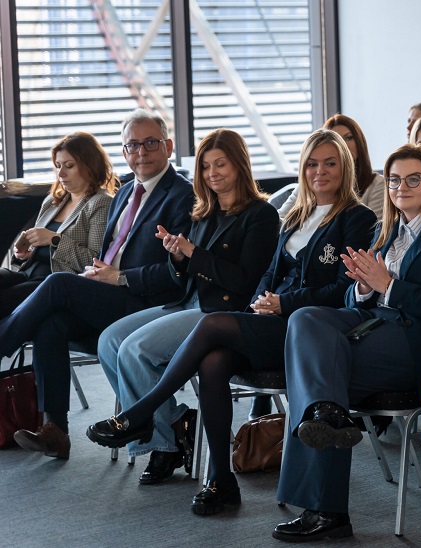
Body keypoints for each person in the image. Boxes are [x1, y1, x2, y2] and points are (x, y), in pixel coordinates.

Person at [86, 129, 377, 514]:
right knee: (213, 361)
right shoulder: (297, 216)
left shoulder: (357, 218)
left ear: (346, 168)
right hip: (269, 318)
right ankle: (221, 479)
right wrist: (259, 302)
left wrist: (282, 303)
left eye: (330, 164)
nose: (319, 171)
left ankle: (141, 412)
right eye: (311, 164)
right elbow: (267, 274)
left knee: (212, 325)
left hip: (307, 330)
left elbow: (343, 288)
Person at [270, 143, 421, 542]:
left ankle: (325, 510)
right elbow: (356, 299)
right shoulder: (388, 231)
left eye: (413, 179)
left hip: (418, 341)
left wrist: (389, 286)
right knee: (305, 319)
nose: (401, 187)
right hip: (374, 325)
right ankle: (329, 415)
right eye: (395, 180)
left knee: (315, 379)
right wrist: (365, 288)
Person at [3, 108, 194, 460]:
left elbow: (177, 272)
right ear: (124, 152)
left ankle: (3, 342)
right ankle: (55, 431)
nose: (141, 152)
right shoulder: (125, 192)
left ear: (168, 146)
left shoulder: (183, 195)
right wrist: (98, 271)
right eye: (133, 145)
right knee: (50, 323)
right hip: (106, 292)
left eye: (151, 143)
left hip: (146, 302)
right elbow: (106, 252)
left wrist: (118, 277)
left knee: (58, 284)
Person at [96, 129, 279, 485]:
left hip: (222, 312)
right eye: (206, 166)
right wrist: (178, 257)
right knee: (110, 341)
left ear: (239, 164)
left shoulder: (261, 215)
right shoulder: (203, 212)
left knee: (135, 350)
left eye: (220, 164)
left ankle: (163, 445)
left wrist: (194, 254)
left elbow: (245, 281)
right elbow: (180, 277)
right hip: (189, 301)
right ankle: (175, 423)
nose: (212, 174)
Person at [0, 132, 115, 318]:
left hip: (54, 282)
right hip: (27, 273)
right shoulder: (53, 201)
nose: (61, 174)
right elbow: (37, 251)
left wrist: (54, 239)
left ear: (90, 165)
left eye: (69, 166)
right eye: (58, 166)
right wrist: (23, 255)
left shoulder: (101, 203)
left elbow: (93, 261)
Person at [278, 114, 386, 221]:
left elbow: (375, 227)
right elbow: (279, 219)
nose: (343, 144)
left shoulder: (376, 185)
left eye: (348, 138)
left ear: (359, 142)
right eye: (336, 138)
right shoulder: (311, 183)